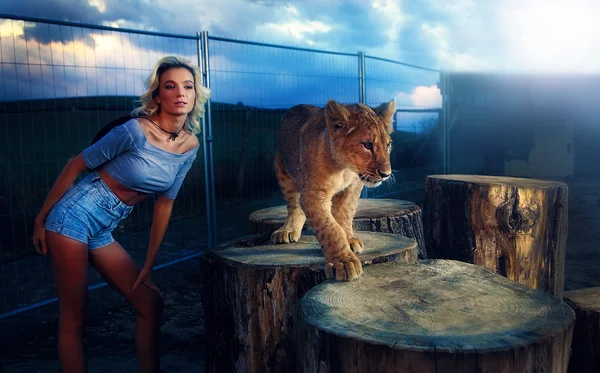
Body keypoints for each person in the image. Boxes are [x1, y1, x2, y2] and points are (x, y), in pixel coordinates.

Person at [32, 56, 210, 373]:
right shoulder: (134, 131)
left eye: (188, 86)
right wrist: (40, 220)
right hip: (73, 215)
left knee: (151, 304)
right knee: (75, 313)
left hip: (103, 227)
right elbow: (76, 165)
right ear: (157, 96)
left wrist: (149, 265)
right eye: (170, 86)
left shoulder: (190, 146)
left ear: (196, 95)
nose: (180, 93)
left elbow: (165, 203)